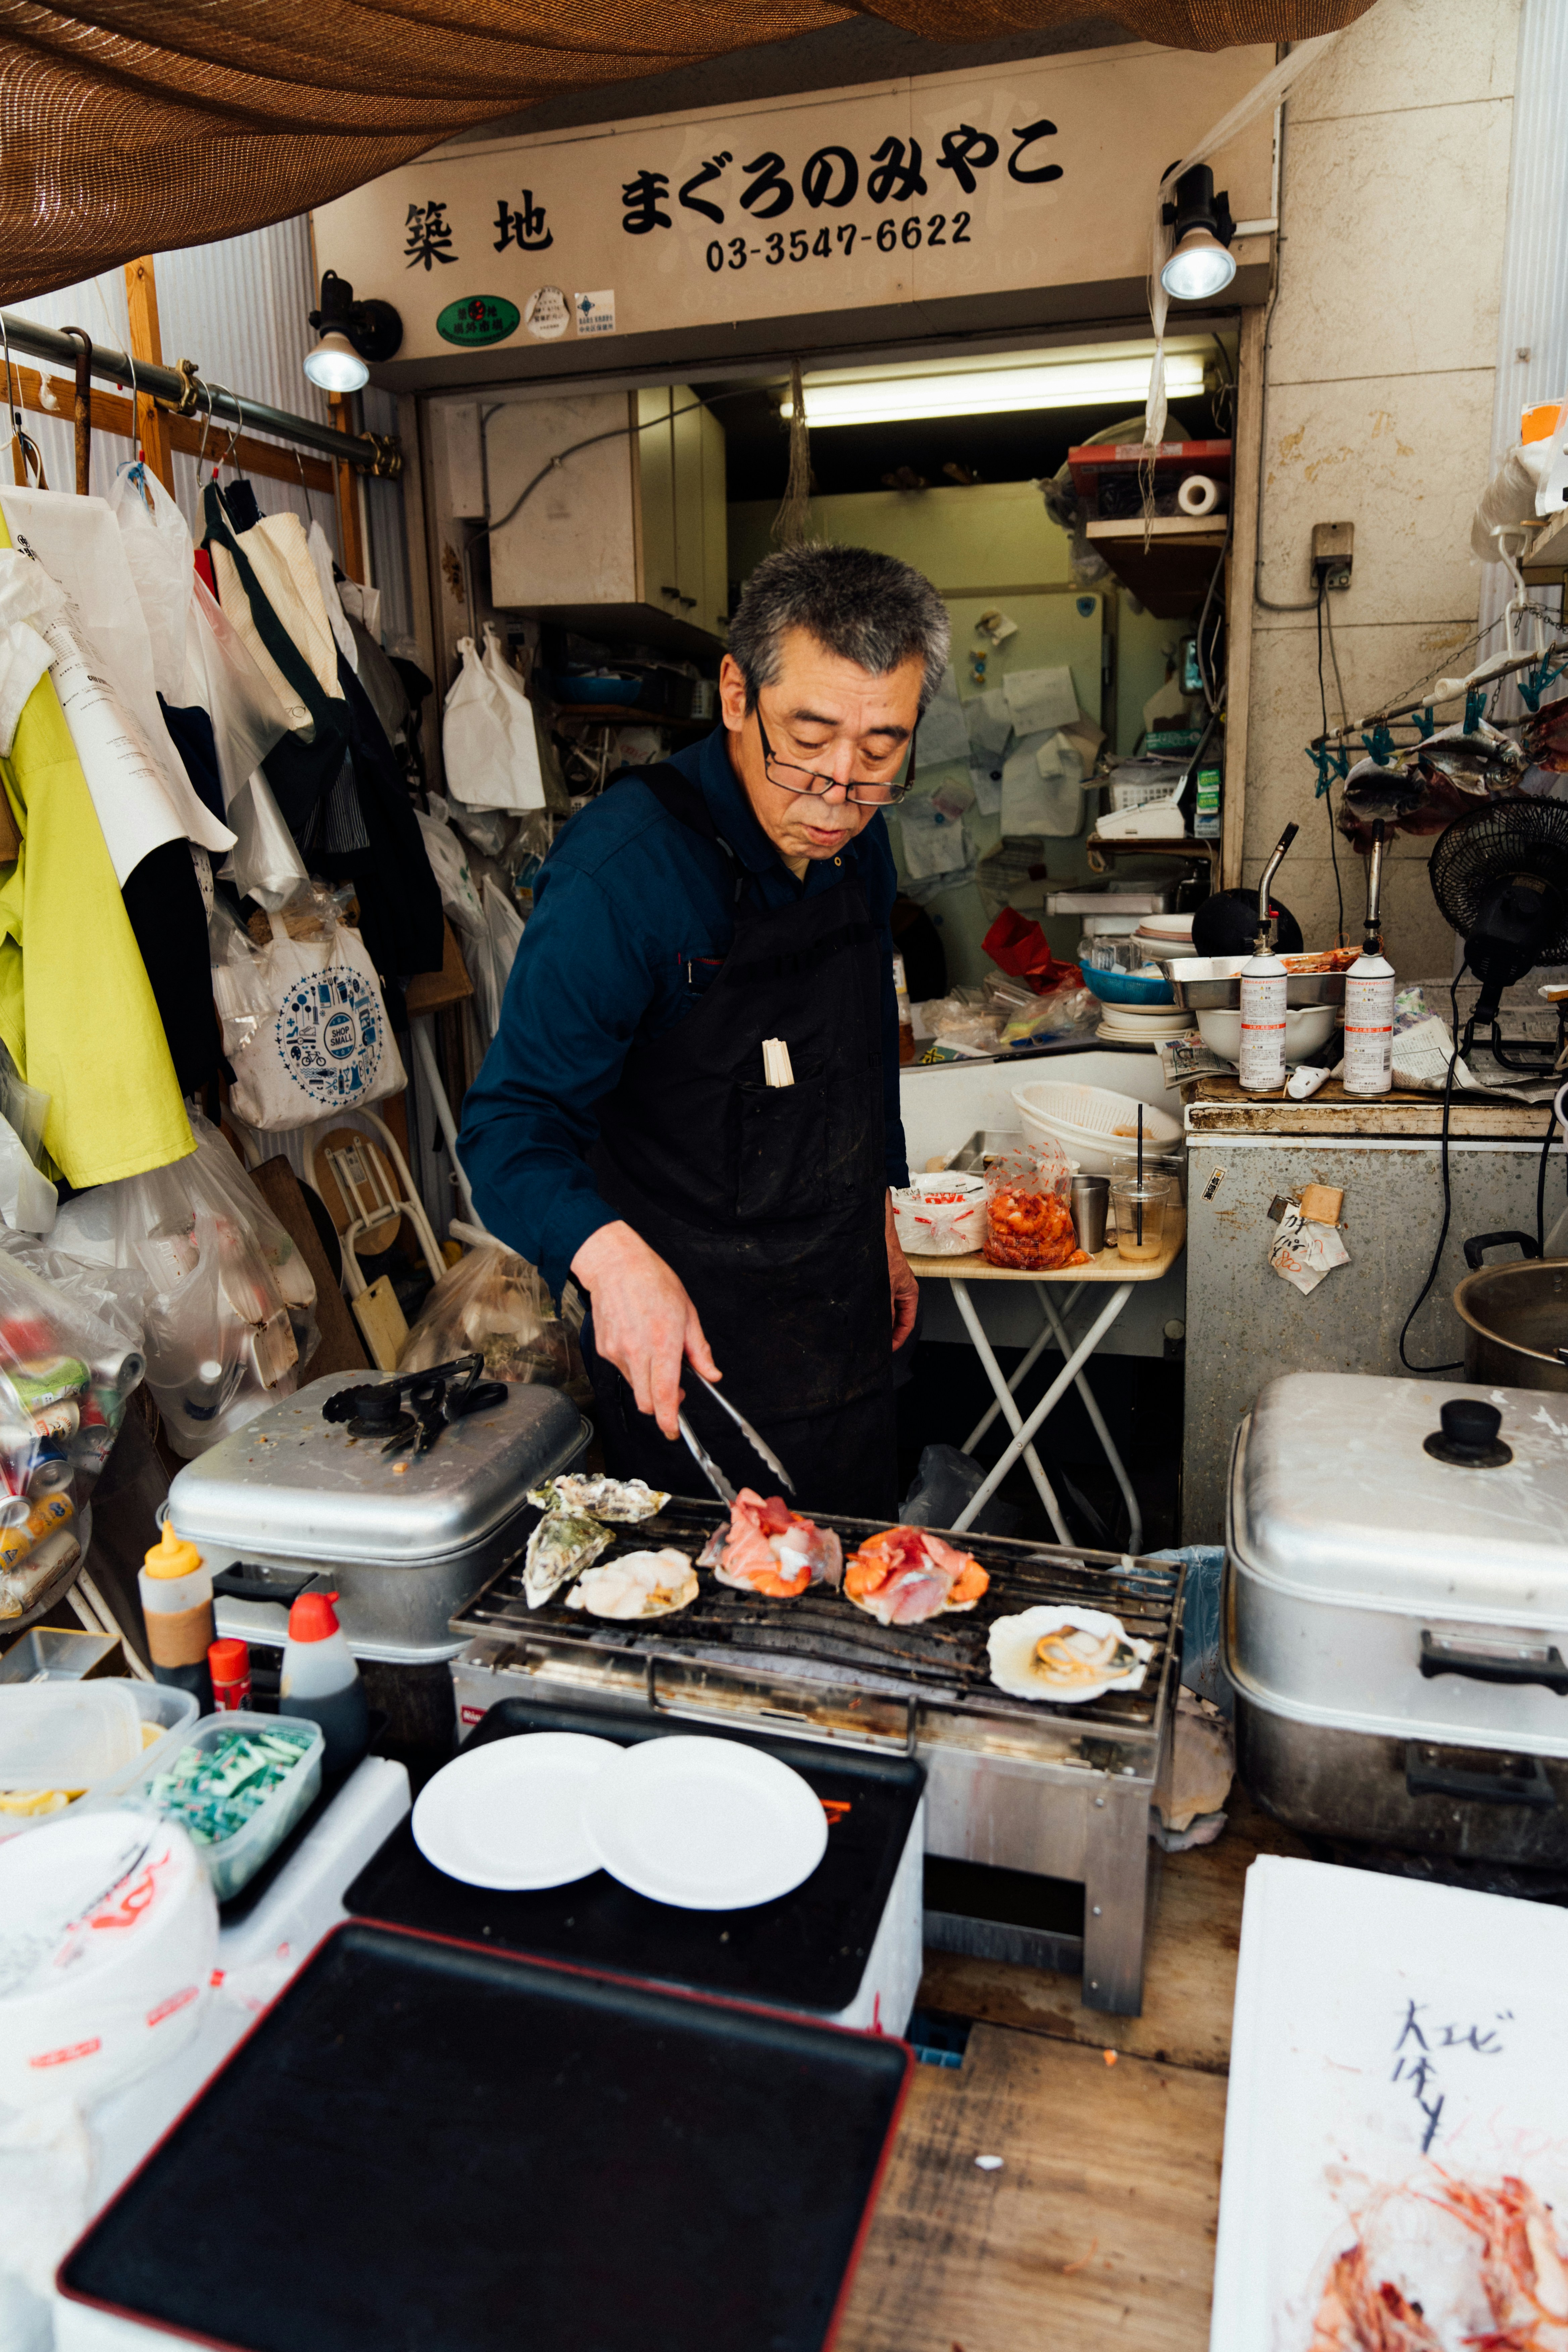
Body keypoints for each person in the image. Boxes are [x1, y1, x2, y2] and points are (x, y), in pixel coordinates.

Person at [459, 542, 951, 1517]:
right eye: (807, 738)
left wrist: (881, 1220)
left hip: (846, 1316)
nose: (839, 791)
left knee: (862, 1588)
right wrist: (608, 1261)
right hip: (694, 1354)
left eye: (882, 749)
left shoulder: (861, 836)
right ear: (736, 694)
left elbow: (857, 1051)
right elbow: (509, 1130)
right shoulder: (620, 879)